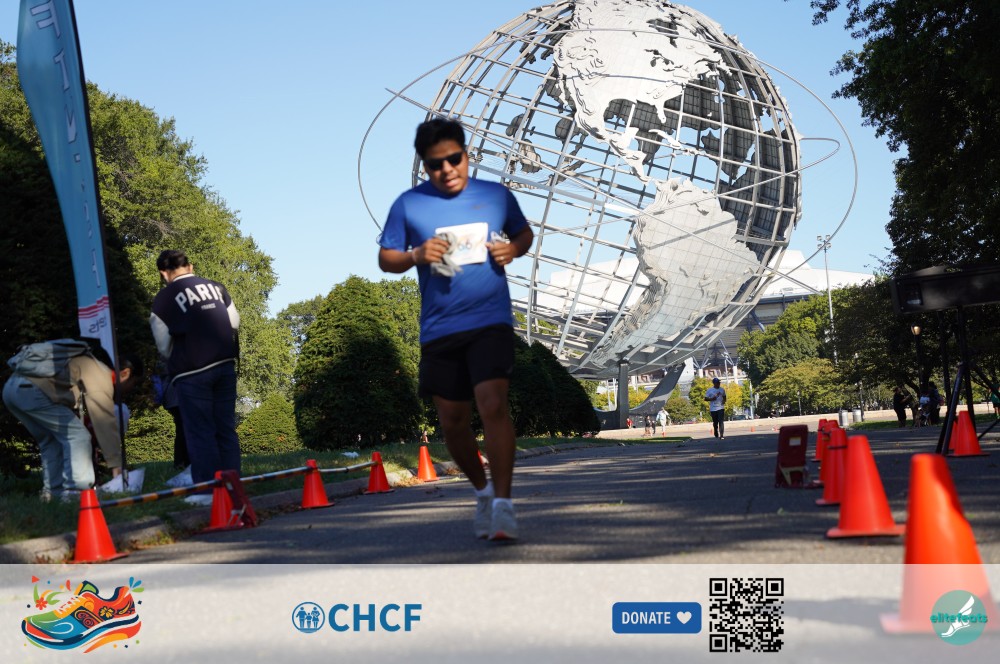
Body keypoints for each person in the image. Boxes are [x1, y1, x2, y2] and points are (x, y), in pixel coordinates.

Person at [378, 118, 534, 541]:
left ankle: (503, 506)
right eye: (435, 164)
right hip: (440, 327)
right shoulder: (409, 205)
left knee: (493, 404)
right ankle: (482, 492)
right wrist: (415, 255)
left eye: (454, 159)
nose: (447, 169)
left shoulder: (494, 195)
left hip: (490, 319)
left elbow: (524, 234)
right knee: (452, 421)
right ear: (424, 165)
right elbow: (386, 259)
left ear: (466, 154)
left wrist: (512, 249)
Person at [150, 249, 241, 505]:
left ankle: (207, 492)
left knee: (200, 432)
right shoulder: (216, 287)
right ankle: (234, 487)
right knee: (225, 428)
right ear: (190, 266)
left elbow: (162, 342)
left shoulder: (164, 298)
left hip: (191, 371)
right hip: (225, 364)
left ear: (163, 273)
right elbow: (234, 321)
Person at [3, 340, 142, 501]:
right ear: (125, 374)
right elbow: (103, 420)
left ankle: (53, 494)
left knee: (50, 440)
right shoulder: (101, 375)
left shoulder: (86, 365)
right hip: (33, 391)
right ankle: (76, 491)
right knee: (79, 436)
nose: (132, 388)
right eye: (134, 383)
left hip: (12, 389)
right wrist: (116, 464)